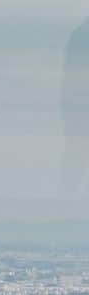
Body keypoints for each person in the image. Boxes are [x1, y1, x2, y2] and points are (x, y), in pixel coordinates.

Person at [62, 15, 89, 196]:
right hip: (79, 106)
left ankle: (67, 197)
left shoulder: (78, 34)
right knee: (76, 156)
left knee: (75, 156)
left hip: (76, 107)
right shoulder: (80, 35)